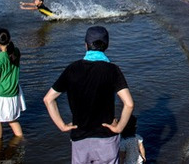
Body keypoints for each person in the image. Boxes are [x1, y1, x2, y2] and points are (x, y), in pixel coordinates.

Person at [43, 26, 134, 164]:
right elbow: (129, 104)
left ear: (85, 44)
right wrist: (120, 127)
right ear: (107, 46)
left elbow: (48, 99)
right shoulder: (112, 70)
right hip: (106, 138)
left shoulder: (72, 69)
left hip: (80, 137)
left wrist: (61, 125)